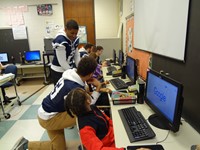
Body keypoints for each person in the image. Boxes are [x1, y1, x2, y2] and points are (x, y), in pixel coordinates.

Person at [12, 57, 104, 150]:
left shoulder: (71, 74)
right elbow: (89, 103)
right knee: (84, 112)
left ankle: (25, 145)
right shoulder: (74, 87)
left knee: (59, 148)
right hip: (49, 119)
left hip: (46, 112)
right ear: (91, 74)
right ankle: (89, 144)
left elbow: (83, 92)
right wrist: (98, 87)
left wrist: (90, 88)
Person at [50, 19, 80, 85]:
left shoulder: (74, 37)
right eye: (72, 33)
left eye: (76, 33)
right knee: (63, 91)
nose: (74, 36)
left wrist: (80, 68)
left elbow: (76, 55)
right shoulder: (60, 40)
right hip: (59, 70)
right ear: (65, 30)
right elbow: (62, 62)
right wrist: (73, 72)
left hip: (69, 67)